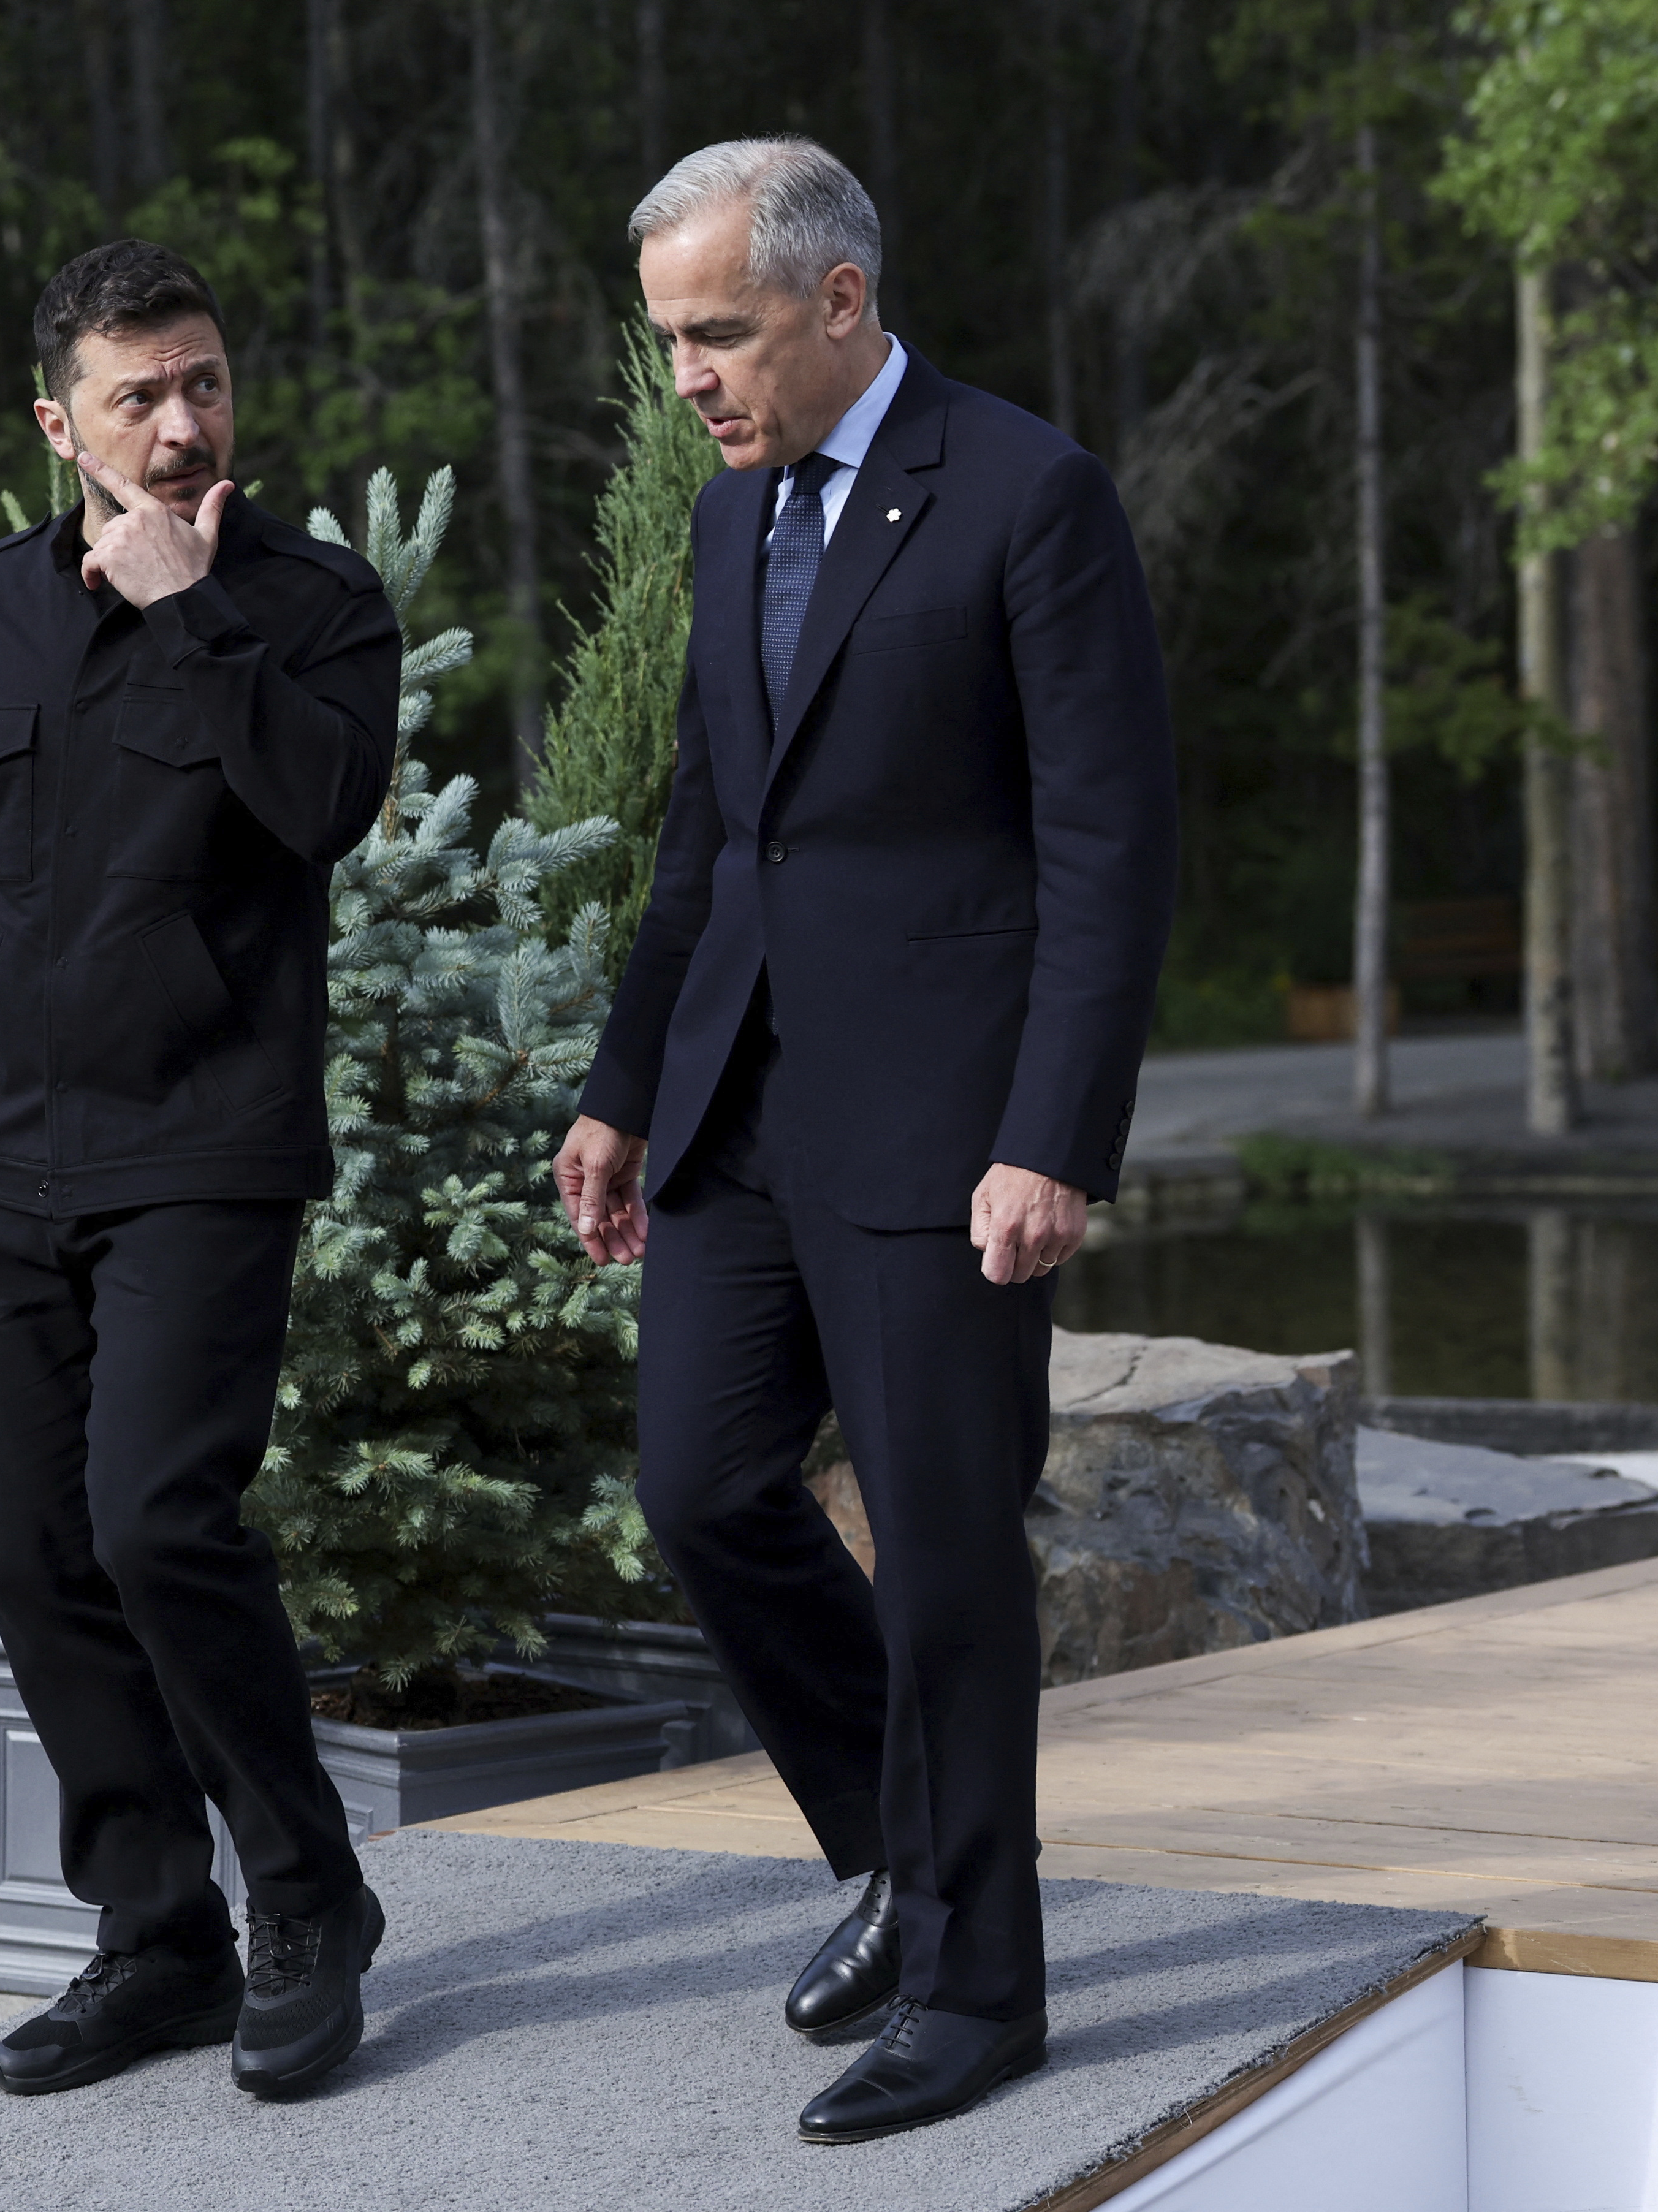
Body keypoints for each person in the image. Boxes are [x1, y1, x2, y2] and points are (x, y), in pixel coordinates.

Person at [551, 139, 1177, 2145]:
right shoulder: (734, 525)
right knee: (701, 1485)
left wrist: (1053, 1133)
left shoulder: (1029, 496)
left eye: (716, 334)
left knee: (945, 1562)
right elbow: (707, 836)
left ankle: (985, 1984)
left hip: (948, 1130)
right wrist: (629, 1080)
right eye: (668, 342)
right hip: (743, 1106)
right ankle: (891, 1860)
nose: (689, 384)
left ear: (838, 301)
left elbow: (1109, 848)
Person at [0, 238, 398, 2102]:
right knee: (41, 1554)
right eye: (140, 396)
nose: (184, 424)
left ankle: (306, 1903)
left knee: (156, 1524)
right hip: (16, 1165)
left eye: (203, 382)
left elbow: (327, 808)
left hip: (208, 1142)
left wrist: (190, 610)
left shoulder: (311, 604)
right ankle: (156, 1937)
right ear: (63, 424)